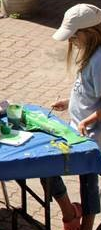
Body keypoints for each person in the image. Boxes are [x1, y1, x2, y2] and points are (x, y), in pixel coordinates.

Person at [44, 4, 101, 230]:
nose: (71, 41)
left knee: (87, 182)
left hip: (90, 136)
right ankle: (71, 213)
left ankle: (85, 224)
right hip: (77, 131)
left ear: (90, 33)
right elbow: (90, 93)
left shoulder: (99, 60)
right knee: (52, 169)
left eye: (74, 36)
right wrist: (70, 103)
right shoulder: (91, 55)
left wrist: (88, 120)